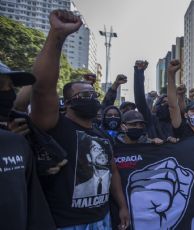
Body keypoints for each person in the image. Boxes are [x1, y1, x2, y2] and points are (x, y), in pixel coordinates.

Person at [30, 10, 129, 229]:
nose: (92, 98)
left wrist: (122, 205)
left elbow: (112, 171)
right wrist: (57, 35)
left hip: (102, 220)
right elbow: (42, 88)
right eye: (84, 95)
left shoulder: (102, 135)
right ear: (68, 102)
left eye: (94, 95)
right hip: (65, 223)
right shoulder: (55, 126)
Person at [0, 60, 56, 230]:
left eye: (11, 87)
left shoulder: (16, 142)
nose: (8, 94)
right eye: (0, 86)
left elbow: (35, 206)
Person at [167, 59, 194, 139]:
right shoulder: (181, 130)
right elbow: (173, 106)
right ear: (186, 115)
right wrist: (171, 74)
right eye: (193, 111)